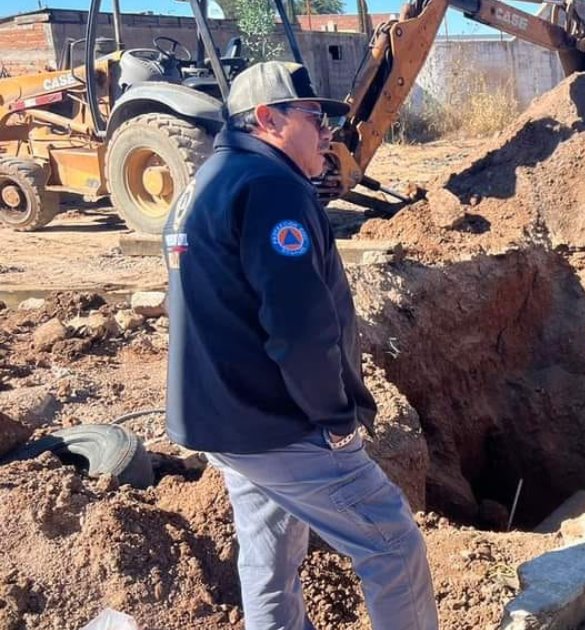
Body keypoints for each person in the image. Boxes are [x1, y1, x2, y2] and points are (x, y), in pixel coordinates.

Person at [162, 61, 438, 629]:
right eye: (314, 117)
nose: (328, 131)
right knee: (391, 543)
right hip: (277, 421)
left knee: (269, 552)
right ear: (267, 119)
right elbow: (298, 326)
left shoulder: (206, 182)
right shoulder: (271, 187)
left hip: (221, 416)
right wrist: (334, 418)